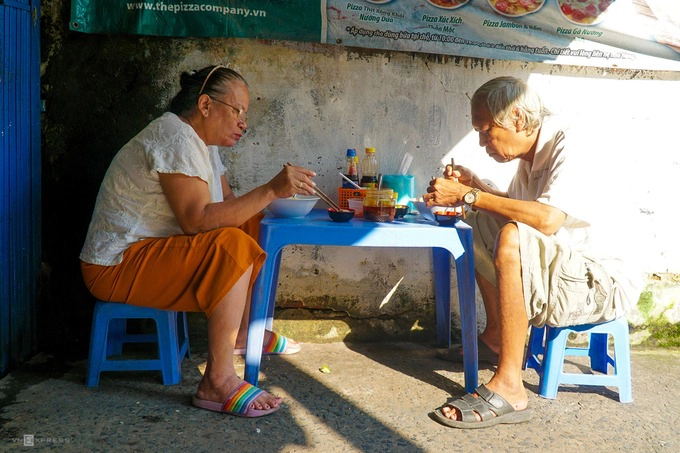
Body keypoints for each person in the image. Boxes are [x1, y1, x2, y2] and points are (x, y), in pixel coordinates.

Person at [80, 65, 319, 418]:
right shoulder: (174, 136)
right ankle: (217, 382)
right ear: (205, 105)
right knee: (233, 245)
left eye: (245, 114)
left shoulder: (203, 145)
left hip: (150, 254)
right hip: (115, 264)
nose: (243, 122)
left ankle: (241, 334)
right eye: (237, 111)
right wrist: (270, 188)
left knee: (253, 222)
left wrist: (268, 199)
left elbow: (229, 208)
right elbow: (196, 221)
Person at [424, 76, 643, 429]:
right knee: (479, 222)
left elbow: (544, 220)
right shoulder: (530, 157)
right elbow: (516, 208)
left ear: (518, 120)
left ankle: (510, 387)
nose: (482, 143)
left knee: (511, 236)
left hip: (601, 282)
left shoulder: (571, 143)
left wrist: (467, 195)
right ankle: (496, 336)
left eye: (485, 131)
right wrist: (475, 187)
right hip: (571, 270)